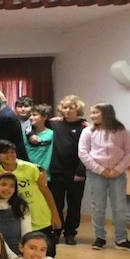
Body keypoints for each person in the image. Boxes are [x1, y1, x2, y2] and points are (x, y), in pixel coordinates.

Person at [78, 103, 130, 252]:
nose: (92, 116)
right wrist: (100, 170)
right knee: (98, 207)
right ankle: (100, 237)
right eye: (91, 113)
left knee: (119, 207)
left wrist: (117, 169)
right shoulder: (87, 131)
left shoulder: (121, 130)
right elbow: (83, 153)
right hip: (96, 174)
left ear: (106, 113)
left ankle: (121, 239)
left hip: (117, 175)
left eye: (95, 113)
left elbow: (129, 151)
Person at [0, 140, 61, 257]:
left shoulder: (31, 168)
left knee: (48, 254)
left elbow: (45, 191)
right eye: (5, 153)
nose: (10, 155)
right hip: (17, 220)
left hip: (41, 218)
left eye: (12, 152)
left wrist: (55, 214)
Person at [48, 96, 88, 245]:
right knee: (56, 204)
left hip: (76, 173)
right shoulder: (54, 124)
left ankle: (70, 233)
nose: (67, 110)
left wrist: (80, 172)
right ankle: (57, 230)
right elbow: (33, 126)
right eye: (65, 107)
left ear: (77, 109)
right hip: (57, 171)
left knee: (74, 204)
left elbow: (86, 151)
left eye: (71, 107)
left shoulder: (84, 127)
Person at [0, 173, 31, 259]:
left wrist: (25, 251)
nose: (7, 188)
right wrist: (11, 256)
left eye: (11, 186)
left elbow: (27, 231)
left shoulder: (21, 204)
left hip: (19, 249)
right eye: (3, 184)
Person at [24, 104, 54, 175]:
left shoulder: (51, 134)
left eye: (34, 115)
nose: (31, 117)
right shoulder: (26, 133)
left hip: (45, 173)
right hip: (28, 171)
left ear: (45, 117)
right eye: (30, 115)